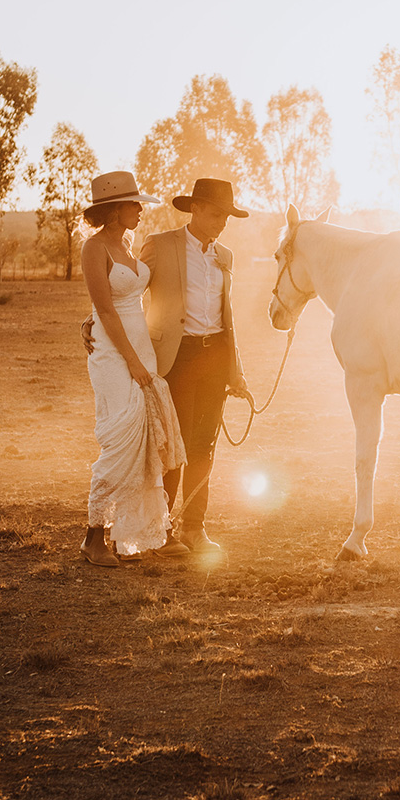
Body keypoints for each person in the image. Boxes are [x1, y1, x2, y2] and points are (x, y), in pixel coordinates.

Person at [138, 178, 252, 554]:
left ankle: (193, 528)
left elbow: (227, 316)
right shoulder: (161, 245)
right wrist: (94, 321)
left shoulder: (226, 257)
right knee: (174, 445)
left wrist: (235, 372)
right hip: (178, 356)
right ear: (196, 209)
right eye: (217, 214)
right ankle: (160, 530)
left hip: (216, 356)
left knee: (205, 445)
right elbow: (124, 290)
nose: (222, 223)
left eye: (227, 217)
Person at [78, 171, 185, 569]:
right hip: (113, 353)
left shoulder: (126, 245)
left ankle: (130, 536)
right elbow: (104, 308)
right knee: (121, 440)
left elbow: (121, 300)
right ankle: (93, 536)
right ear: (115, 208)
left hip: (139, 347)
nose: (140, 209)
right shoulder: (94, 248)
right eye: (134, 204)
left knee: (143, 444)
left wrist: (143, 358)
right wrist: (132, 361)